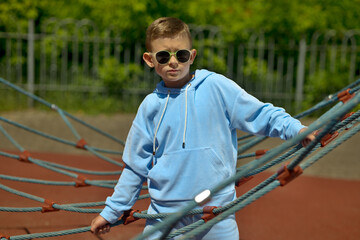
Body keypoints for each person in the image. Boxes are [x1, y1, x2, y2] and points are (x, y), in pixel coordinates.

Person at [91, 17, 315, 239]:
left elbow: (259, 113)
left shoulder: (216, 87)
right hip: (165, 216)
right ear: (150, 60)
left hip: (216, 213)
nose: (173, 62)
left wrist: (296, 129)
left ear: (192, 56)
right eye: (163, 56)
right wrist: (112, 211)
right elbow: (135, 166)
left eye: (181, 54)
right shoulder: (150, 106)